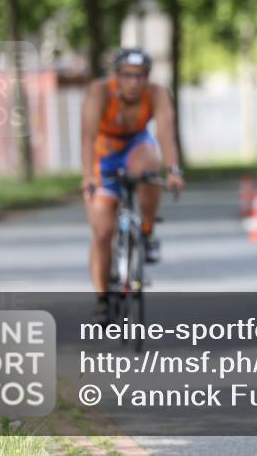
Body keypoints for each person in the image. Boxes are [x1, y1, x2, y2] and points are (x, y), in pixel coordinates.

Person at [80, 48, 184, 324]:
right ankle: (102, 301)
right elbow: (88, 136)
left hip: (136, 146)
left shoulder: (157, 94)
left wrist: (173, 171)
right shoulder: (99, 92)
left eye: (140, 76)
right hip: (103, 155)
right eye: (127, 75)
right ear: (117, 76)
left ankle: (147, 230)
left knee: (150, 168)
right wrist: (88, 175)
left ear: (147, 77)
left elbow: (165, 134)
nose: (134, 82)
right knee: (102, 232)